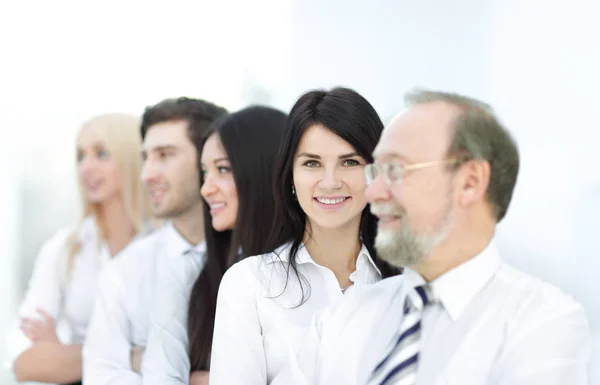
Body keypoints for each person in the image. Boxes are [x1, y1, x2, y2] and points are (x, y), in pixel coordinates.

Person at [278, 89, 591, 385]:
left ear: (470, 182)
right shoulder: (343, 317)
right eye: (376, 171)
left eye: (396, 170)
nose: (373, 191)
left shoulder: (541, 324)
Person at [209, 87, 401, 385]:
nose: (330, 182)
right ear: (291, 177)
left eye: (350, 162)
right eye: (312, 163)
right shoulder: (249, 285)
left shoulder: (408, 281)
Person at [82, 97, 227, 385]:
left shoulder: (260, 259)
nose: (147, 174)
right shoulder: (125, 271)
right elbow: (100, 377)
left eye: (164, 155)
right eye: (146, 157)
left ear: (207, 159)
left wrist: (144, 364)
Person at [141, 105, 288, 385]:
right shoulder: (186, 276)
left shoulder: (314, 275)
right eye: (204, 173)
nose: (206, 189)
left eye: (223, 169)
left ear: (264, 171)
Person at [5, 113, 153, 384]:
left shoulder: (166, 246)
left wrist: (65, 356)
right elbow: (24, 360)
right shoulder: (64, 249)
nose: (86, 167)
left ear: (131, 158)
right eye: (81, 156)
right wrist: (133, 358)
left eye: (102, 153)